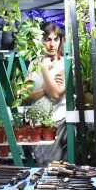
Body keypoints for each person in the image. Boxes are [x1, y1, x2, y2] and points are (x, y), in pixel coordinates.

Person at [25, 21, 66, 166]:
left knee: (54, 167)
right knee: (41, 167)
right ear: (41, 41)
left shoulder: (64, 64)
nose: (52, 44)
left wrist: (44, 69)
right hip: (36, 124)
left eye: (56, 39)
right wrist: (44, 90)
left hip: (57, 122)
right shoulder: (34, 62)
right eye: (48, 39)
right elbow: (25, 95)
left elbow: (55, 94)